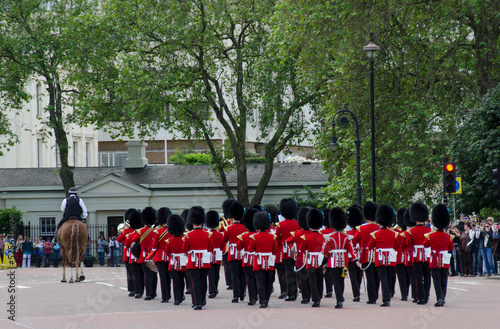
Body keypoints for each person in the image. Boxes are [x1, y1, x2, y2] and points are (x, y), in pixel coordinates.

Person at [324, 207, 360, 309]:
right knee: (342, 279)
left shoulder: (329, 237)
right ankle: (341, 298)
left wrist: (328, 256)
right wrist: (356, 260)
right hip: (344, 262)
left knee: (335, 280)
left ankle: (339, 300)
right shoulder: (347, 237)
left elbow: (324, 250)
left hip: (333, 261)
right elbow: (351, 250)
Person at [182, 206, 214, 310]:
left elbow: (184, 249)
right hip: (205, 261)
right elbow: (211, 249)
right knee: (203, 280)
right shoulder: (208, 234)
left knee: (194, 281)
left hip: (192, 261)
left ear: (192, 222)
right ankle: (203, 299)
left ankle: (197, 302)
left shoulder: (188, 235)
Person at [369, 205, 399, 307]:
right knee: (390, 277)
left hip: (380, 258)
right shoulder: (394, 234)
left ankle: (386, 299)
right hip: (391, 258)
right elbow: (397, 246)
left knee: (384, 278)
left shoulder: (375, 234)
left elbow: (370, 246)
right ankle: (389, 294)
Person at [247, 211, 279, 309]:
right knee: (268, 282)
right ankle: (267, 299)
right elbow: (275, 250)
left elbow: (250, 249)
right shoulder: (272, 236)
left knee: (260, 282)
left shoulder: (254, 237)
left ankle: (263, 302)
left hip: (259, 262)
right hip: (269, 261)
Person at [424, 204, 454, 307]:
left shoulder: (431, 236)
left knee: (436, 280)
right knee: (444, 279)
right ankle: (443, 297)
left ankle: (439, 298)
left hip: (435, 260)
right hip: (444, 260)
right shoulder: (448, 237)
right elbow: (451, 248)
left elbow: (425, 244)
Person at [352, 201, 380, 304]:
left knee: (370, 277)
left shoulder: (362, 228)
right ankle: (376, 295)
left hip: (366, 255)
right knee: (377, 276)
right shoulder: (379, 228)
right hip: (377, 254)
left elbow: (354, 240)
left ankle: (371, 298)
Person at [299, 208, 328, 308]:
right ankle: (319, 296)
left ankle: (315, 299)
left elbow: (301, 249)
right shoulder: (323, 237)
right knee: (320, 279)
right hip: (321, 260)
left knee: (312, 280)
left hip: (311, 261)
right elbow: (327, 250)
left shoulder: (306, 237)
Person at [275, 198, 300, 302]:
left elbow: (277, 239)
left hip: (285, 251)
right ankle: (299, 290)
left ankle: (291, 294)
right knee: (298, 271)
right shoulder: (298, 224)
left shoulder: (280, 225)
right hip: (297, 250)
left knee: (288, 272)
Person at [131, 207, 158, 300]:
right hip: (154, 255)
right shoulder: (156, 231)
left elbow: (133, 241)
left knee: (146, 275)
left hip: (144, 255)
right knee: (154, 274)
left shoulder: (140, 231)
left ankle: (148, 294)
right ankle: (153, 293)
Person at [223, 202, 247, 303]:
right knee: (242, 274)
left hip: (232, 253)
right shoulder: (245, 228)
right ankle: (242, 293)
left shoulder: (228, 228)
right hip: (243, 253)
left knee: (234, 275)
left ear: (231, 217)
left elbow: (224, 240)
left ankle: (236, 295)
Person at [408, 202, 432, 305]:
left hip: (416, 256)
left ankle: (420, 297)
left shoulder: (411, 231)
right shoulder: (430, 230)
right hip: (427, 256)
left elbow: (408, 244)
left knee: (418, 277)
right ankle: (426, 296)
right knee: (427, 276)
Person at [117, 208, 142, 297]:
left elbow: (119, 240)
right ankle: (139, 289)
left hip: (128, 254)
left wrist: (125, 229)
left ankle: (132, 290)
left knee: (130, 273)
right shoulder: (140, 231)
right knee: (139, 272)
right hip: (139, 254)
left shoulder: (126, 231)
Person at [237, 208, 259, 306]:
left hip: (248, 260)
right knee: (258, 278)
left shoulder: (244, 236)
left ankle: (252, 298)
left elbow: (238, 247)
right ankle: (259, 295)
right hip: (259, 259)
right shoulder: (258, 235)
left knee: (249, 279)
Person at [165, 214, 187, 305]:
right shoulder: (184, 239)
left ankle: (177, 299)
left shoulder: (169, 241)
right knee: (182, 279)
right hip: (182, 261)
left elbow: (167, 253)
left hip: (173, 262)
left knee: (175, 280)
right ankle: (181, 296)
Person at [152, 207, 173, 303]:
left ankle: (165, 297)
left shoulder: (157, 232)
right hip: (170, 256)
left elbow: (154, 246)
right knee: (169, 277)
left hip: (160, 256)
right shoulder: (172, 231)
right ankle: (169, 294)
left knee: (163, 277)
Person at [345, 205, 364, 302]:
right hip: (360, 255)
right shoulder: (361, 231)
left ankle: (356, 294)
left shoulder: (347, 233)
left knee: (353, 275)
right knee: (359, 273)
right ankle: (358, 288)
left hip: (351, 256)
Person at [205, 210, 224, 299]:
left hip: (209, 253)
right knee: (216, 272)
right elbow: (222, 246)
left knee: (211, 273)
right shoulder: (220, 234)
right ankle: (215, 288)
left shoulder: (207, 234)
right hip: (218, 254)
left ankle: (212, 290)